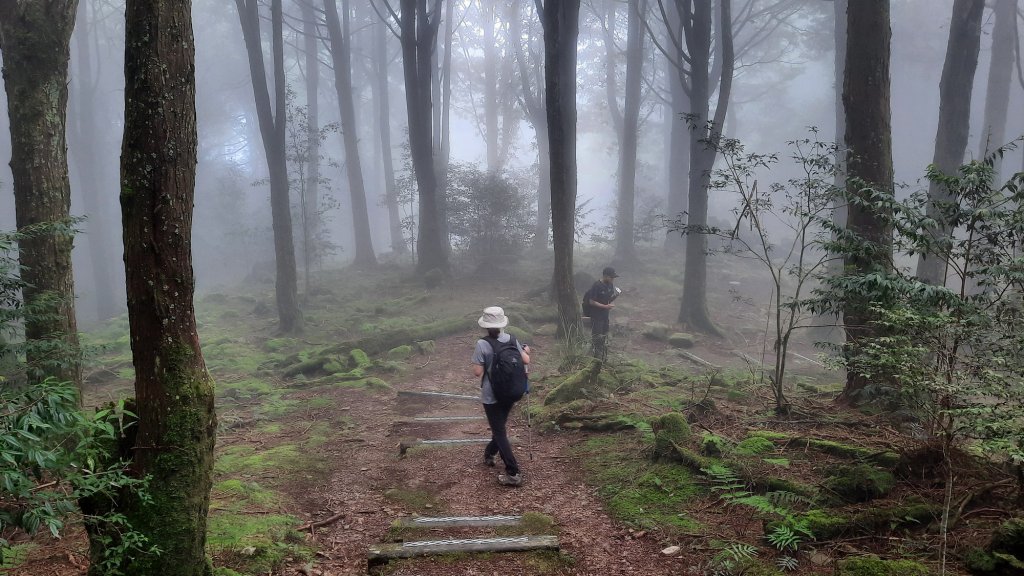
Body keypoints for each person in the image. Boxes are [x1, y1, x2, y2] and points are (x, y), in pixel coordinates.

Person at [472, 306, 530, 487]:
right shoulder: (512, 339)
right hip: (512, 391)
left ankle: (513, 472)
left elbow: (477, 372)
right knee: (500, 428)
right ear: (503, 322)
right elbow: (526, 360)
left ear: (486, 326)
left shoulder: (482, 344)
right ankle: (489, 454)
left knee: (499, 430)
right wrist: (526, 351)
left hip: (492, 395)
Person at [584, 266, 620, 360]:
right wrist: (605, 306)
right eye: (611, 277)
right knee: (597, 336)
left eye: (613, 278)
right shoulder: (596, 285)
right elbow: (591, 301)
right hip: (596, 315)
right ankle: (596, 358)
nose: (613, 279)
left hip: (605, 315)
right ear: (605, 276)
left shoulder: (610, 285)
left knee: (604, 334)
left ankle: (603, 356)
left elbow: (608, 298)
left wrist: (612, 301)